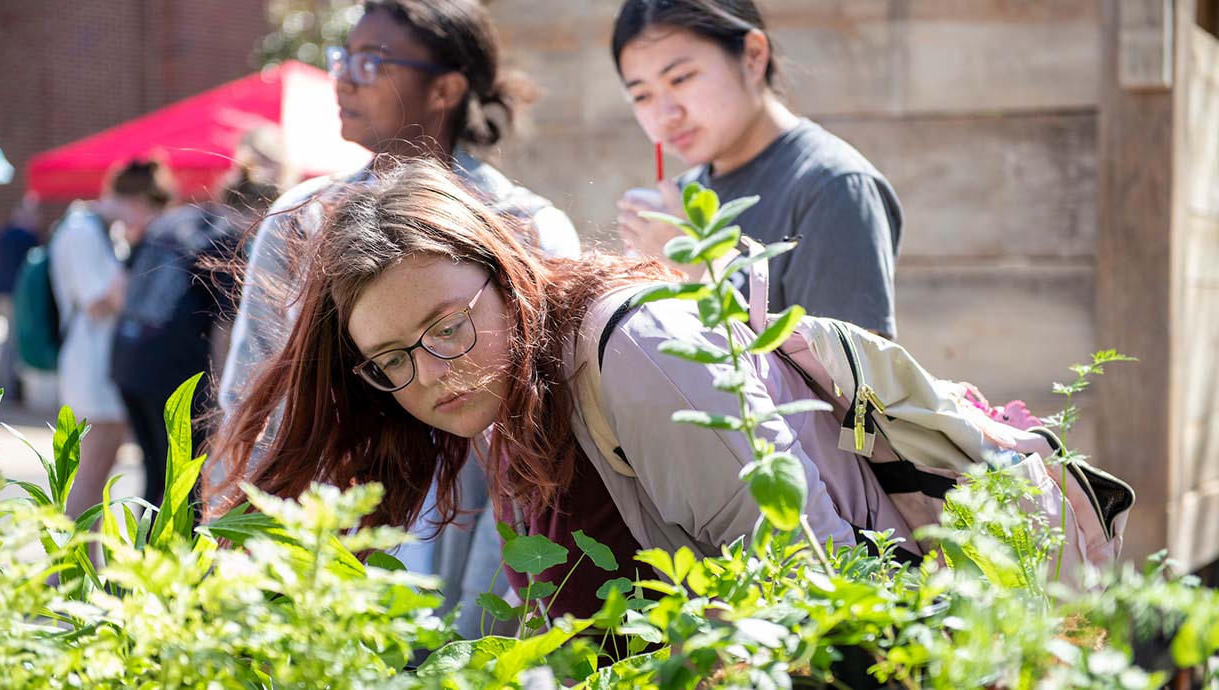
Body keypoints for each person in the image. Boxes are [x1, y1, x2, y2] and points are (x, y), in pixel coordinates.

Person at [209, 160, 920, 624]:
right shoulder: (497, 399)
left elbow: (822, 588)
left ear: (507, 271)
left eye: (446, 326)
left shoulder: (640, 357)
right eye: (391, 359)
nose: (430, 374)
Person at [216, 0, 579, 636]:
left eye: (370, 60)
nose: (344, 77)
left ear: (445, 87)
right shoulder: (304, 214)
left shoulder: (523, 224)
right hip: (329, 535)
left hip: (476, 549)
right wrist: (237, 541)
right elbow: (252, 398)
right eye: (341, 57)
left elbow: (544, 433)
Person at [612, 0, 903, 339]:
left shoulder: (833, 186)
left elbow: (850, 381)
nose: (666, 114)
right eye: (642, 96)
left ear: (752, 57)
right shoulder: (684, 197)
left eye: (680, 78)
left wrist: (700, 275)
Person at [110, 168, 277, 512]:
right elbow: (225, 326)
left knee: (157, 474)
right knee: (187, 483)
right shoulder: (229, 237)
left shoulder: (175, 218)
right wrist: (223, 397)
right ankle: (172, 563)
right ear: (261, 211)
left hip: (128, 358)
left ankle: (146, 559)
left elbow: (123, 286)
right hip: (176, 374)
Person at [50, 158, 176, 522]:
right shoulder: (82, 231)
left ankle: (82, 567)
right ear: (139, 202)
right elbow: (101, 302)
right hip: (91, 369)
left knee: (96, 480)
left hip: (104, 368)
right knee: (90, 479)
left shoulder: (104, 230)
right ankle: (69, 575)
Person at [0, 194, 42, 398]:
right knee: (11, 343)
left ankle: (3, 385)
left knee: (7, 340)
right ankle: (4, 388)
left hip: (1, 292)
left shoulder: (4, 234)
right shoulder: (25, 238)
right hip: (15, 295)